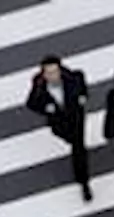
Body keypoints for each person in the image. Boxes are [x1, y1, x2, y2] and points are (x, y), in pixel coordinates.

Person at [26, 55, 92, 201]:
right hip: (58, 120)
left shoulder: (75, 77)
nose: (52, 76)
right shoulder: (39, 85)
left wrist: (83, 97)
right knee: (66, 137)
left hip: (75, 118)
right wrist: (45, 108)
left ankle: (84, 181)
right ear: (43, 73)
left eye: (55, 71)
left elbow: (83, 88)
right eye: (48, 73)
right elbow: (30, 103)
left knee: (78, 147)